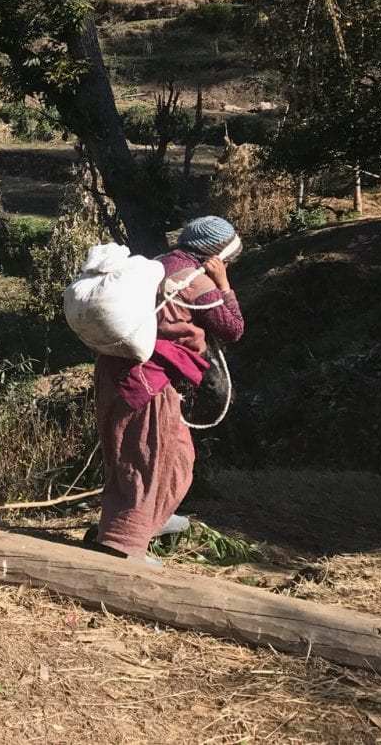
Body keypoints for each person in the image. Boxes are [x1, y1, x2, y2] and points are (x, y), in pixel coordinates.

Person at [93, 216, 245, 565]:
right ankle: (124, 546)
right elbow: (233, 329)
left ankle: (153, 519)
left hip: (122, 373)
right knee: (144, 459)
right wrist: (223, 283)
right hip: (146, 381)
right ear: (218, 253)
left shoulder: (157, 266)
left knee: (176, 455)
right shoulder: (196, 283)